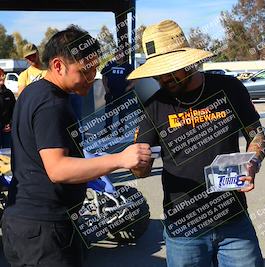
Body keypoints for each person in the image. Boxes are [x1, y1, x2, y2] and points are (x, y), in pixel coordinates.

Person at [2, 25, 152, 267]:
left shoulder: (32, 92)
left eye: (94, 70)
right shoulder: (52, 104)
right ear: (59, 66)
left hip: (22, 224)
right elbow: (57, 169)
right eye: (85, 71)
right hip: (46, 231)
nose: (92, 78)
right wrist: (120, 159)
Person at [128, 20, 265, 267]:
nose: (164, 78)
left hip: (233, 222)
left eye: (171, 69)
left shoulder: (229, 88)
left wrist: (253, 160)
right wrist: (137, 162)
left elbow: (256, 134)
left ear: (190, 62)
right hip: (183, 228)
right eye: (158, 72)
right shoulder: (154, 103)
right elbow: (141, 170)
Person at [101, 49, 134, 133]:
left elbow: (135, 78)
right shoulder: (109, 65)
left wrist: (129, 87)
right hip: (110, 93)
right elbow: (104, 76)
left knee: (122, 113)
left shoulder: (128, 66)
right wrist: (106, 88)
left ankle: (120, 131)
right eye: (117, 54)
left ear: (123, 55)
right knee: (109, 113)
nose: (118, 55)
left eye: (120, 53)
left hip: (122, 93)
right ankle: (107, 131)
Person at [0, 68, 16, 148]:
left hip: (7, 130)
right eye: (0, 75)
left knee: (7, 153)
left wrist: (11, 124)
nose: (2, 77)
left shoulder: (9, 93)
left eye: (3, 75)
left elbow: (15, 111)